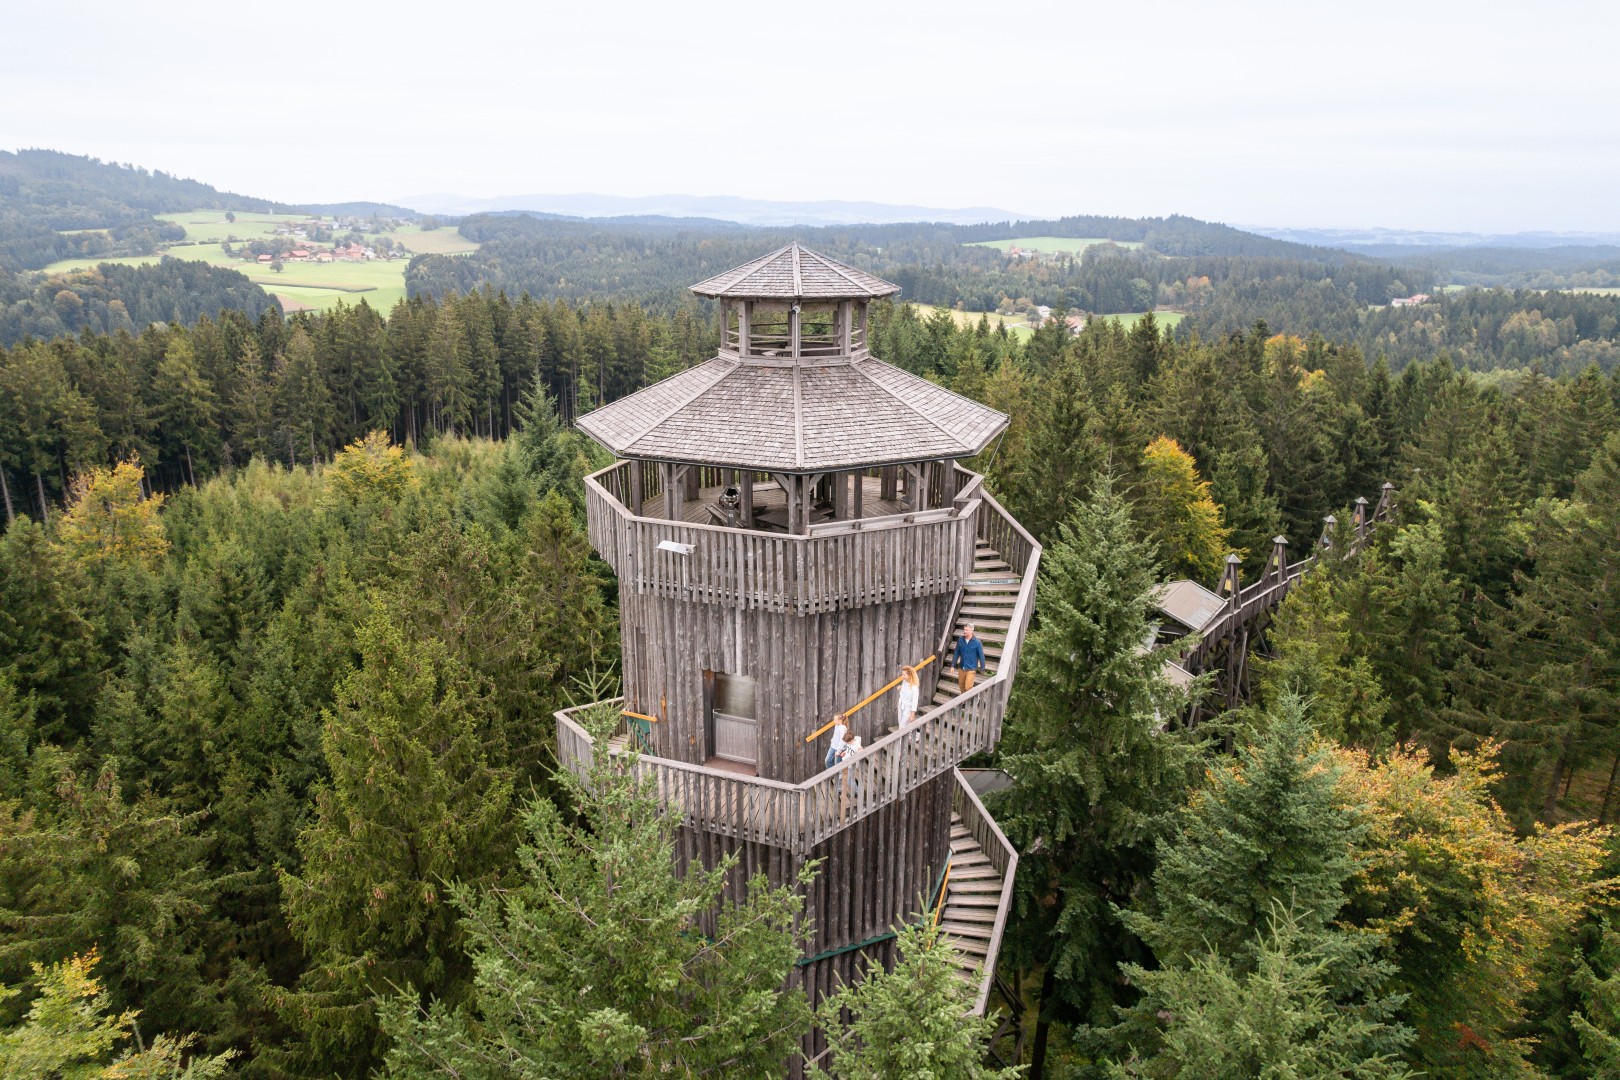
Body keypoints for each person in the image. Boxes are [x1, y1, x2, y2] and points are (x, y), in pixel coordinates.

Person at [952, 623, 987, 693]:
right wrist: (952, 665)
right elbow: (956, 653)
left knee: (968, 687)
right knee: (961, 686)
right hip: (961, 667)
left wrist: (982, 668)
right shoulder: (960, 640)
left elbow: (981, 656)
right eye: (964, 629)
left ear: (972, 630)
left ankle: (972, 697)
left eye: (967, 630)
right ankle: (964, 699)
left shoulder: (977, 642)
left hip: (971, 668)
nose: (964, 631)